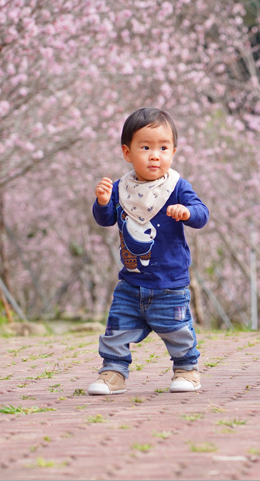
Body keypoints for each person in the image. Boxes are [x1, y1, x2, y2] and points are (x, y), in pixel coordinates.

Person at [86, 108, 209, 395]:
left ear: (173, 152)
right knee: (116, 329)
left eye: (163, 148)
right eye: (146, 147)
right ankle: (113, 373)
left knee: (178, 332)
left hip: (169, 284)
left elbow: (202, 214)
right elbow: (105, 220)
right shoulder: (121, 188)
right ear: (127, 153)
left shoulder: (177, 187)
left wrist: (187, 212)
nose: (155, 155)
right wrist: (103, 201)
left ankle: (187, 370)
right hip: (131, 282)